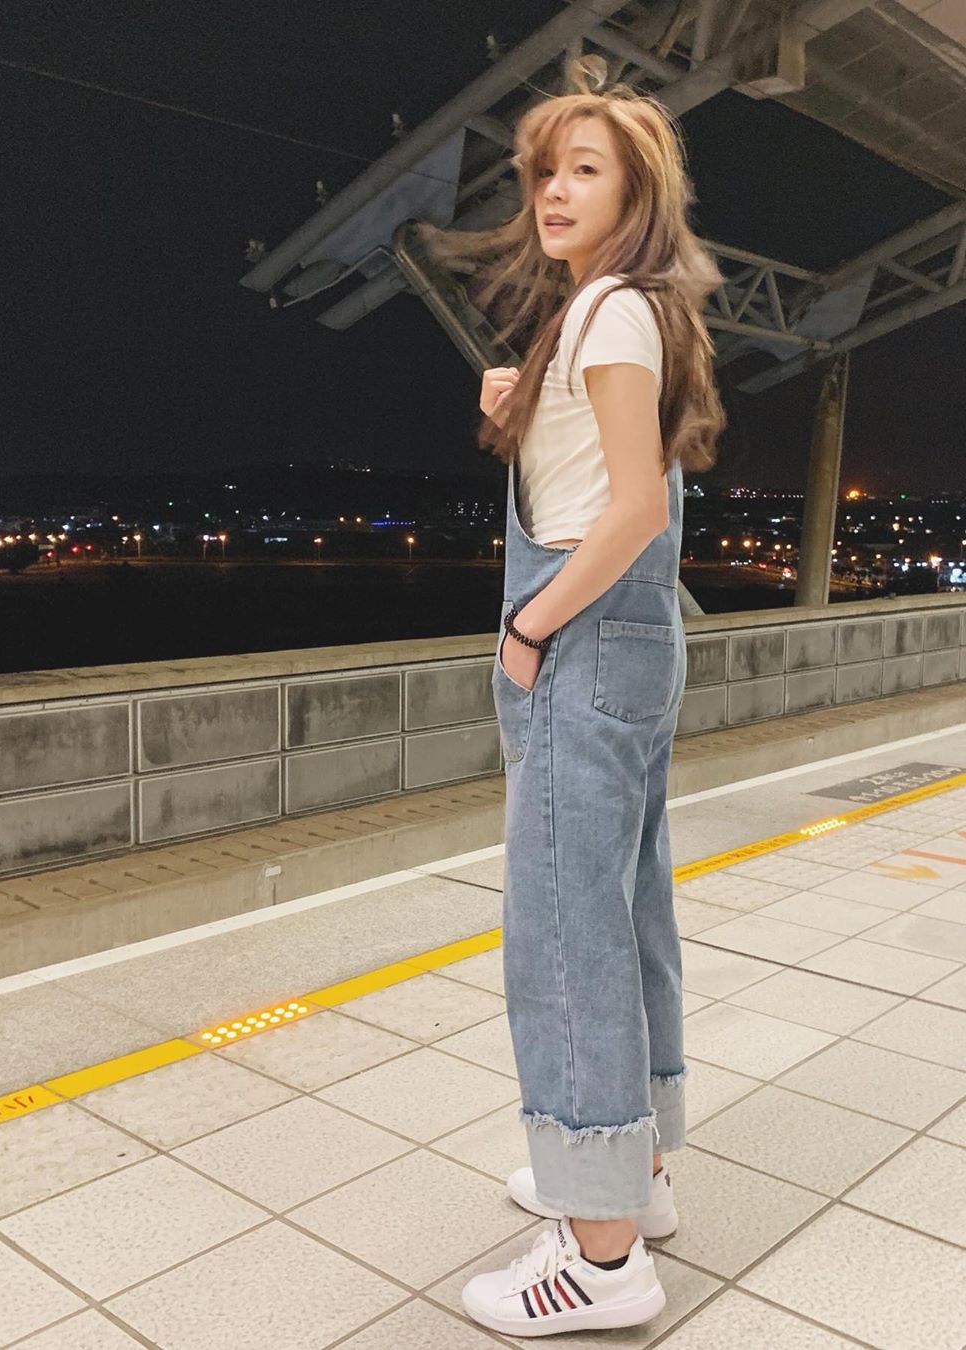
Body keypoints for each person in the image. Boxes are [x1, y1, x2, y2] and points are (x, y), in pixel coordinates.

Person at [422, 55, 725, 1336]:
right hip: (638, 648)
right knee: (624, 909)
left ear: (634, 192)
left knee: (560, 934)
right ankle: (629, 1171)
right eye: (545, 170)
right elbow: (609, 474)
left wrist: (527, 629)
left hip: (584, 646)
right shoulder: (632, 310)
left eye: (584, 170)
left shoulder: (606, 311)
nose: (553, 191)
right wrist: (517, 399)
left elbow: (632, 508)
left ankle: (600, 1257)